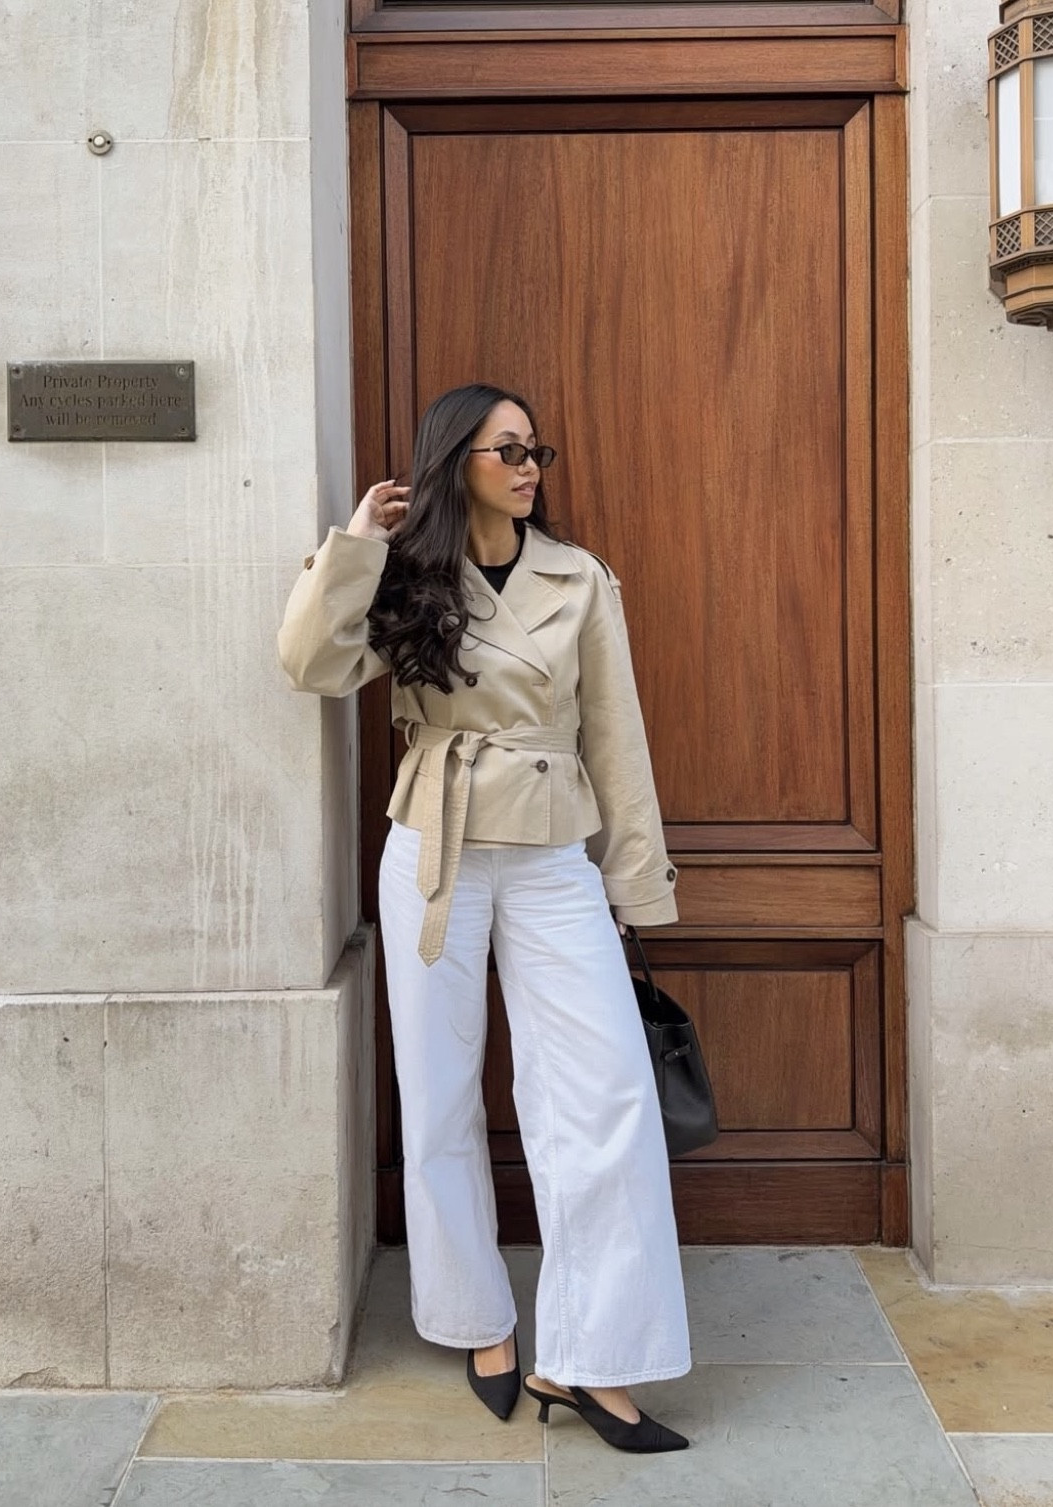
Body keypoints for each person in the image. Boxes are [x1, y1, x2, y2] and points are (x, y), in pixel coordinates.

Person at [278, 382, 691, 1452]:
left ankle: (593, 1359)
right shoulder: (411, 573)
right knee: (439, 1091)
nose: (529, 466)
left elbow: (619, 737)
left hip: (554, 856)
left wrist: (635, 883)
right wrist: (358, 545)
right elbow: (311, 665)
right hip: (435, 850)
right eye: (508, 449)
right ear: (454, 458)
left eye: (536, 449)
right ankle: (477, 1320)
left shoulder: (579, 577)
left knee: (603, 1099)